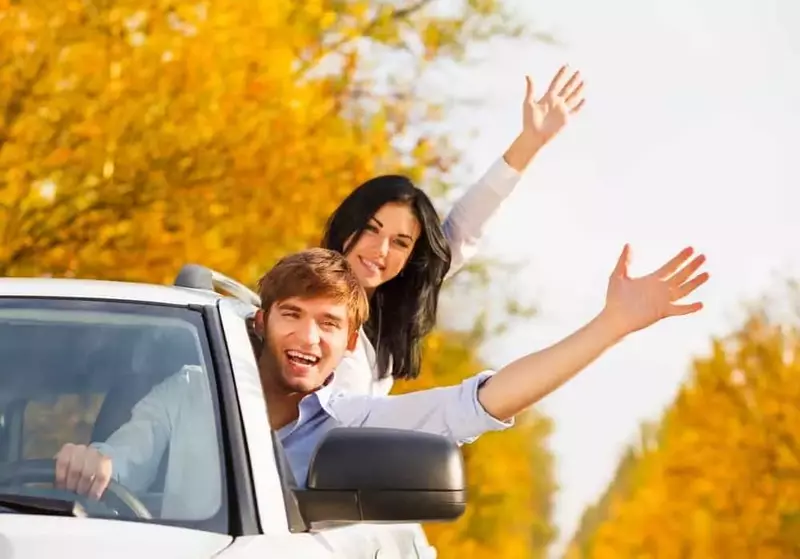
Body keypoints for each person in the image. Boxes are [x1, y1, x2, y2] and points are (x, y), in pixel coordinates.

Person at [55, 244, 708, 499]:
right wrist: (96, 464)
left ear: (346, 345)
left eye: (329, 324)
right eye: (293, 314)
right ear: (262, 321)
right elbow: (123, 457)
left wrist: (612, 325)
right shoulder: (189, 396)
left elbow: (475, 403)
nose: (308, 336)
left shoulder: (351, 424)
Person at [319, 65, 587, 396]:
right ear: (348, 226)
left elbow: (463, 229)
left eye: (400, 242)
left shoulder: (383, 325)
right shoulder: (306, 303)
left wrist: (529, 143)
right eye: (372, 230)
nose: (381, 250)